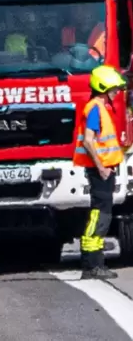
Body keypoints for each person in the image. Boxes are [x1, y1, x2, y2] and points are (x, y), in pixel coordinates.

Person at [73, 65, 125, 279]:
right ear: (103, 87)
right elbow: (88, 140)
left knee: (103, 214)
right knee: (99, 214)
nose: (116, 92)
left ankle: (95, 263)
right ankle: (91, 264)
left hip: (105, 170)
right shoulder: (95, 107)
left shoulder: (100, 107)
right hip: (100, 171)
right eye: (113, 89)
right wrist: (101, 167)